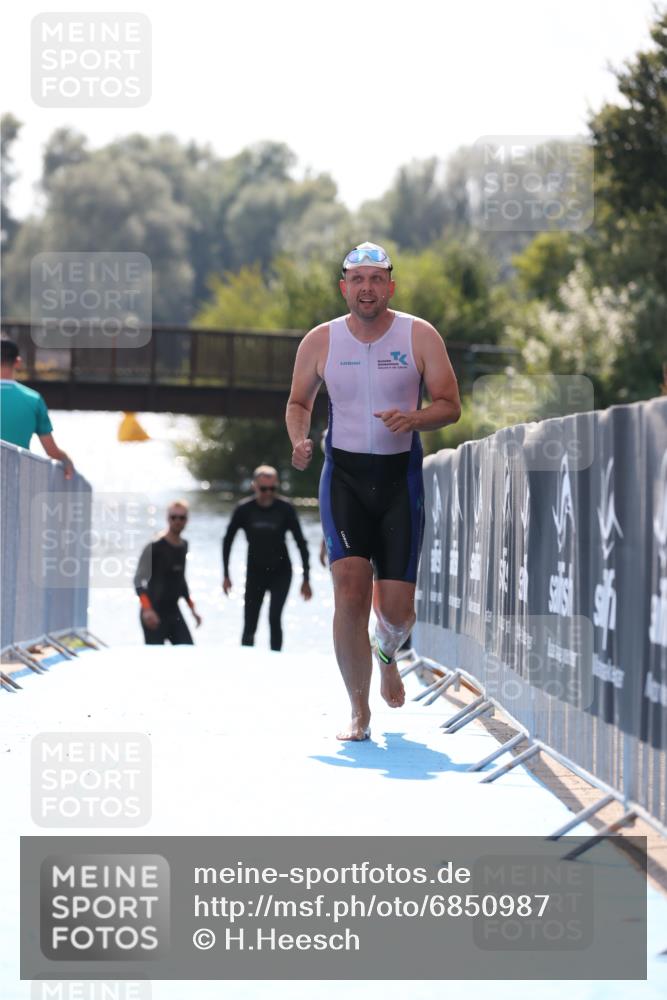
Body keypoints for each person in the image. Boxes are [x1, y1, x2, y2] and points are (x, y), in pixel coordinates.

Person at [286, 241, 461, 741]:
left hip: (398, 479)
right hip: (343, 477)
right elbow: (298, 401)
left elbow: (450, 404)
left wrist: (416, 417)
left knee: (398, 610)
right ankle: (358, 711)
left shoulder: (419, 335)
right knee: (349, 591)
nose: (367, 288)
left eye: (376, 279)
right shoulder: (320, 341)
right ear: (344, 287)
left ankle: (387, 652)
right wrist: (299, 438)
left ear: (390, 285)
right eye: (357, 280)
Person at [222, 465, 312, 651]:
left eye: (273, 489)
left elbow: (301, 543)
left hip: (281, 572)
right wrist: (226, 575)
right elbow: (227, 541)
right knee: (250, 623)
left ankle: (276, 663)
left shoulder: (285, 508)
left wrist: (306, 578)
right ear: (254, 486)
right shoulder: (244, 509)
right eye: (264, 489)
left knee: (274, 618)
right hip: (255, 572)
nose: (268, 493)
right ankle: (247, 664)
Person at [0, 338, 74, 478]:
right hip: (15, 480)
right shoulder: (33, 399)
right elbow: (51, 451)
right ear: (17, 362)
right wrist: (66, 460)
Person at [134, 499, 202, 645]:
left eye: (182, 518)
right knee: (156, 660)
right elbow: (138, 580)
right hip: (153, 612)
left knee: (188, 651)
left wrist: (193, 610)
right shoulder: (155, 546)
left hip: (173, 612)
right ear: (167, 518)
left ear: (187, 520)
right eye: (173, 517)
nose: (177, 521)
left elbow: (181, 581)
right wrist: (147, 609)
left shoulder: (184, 545)